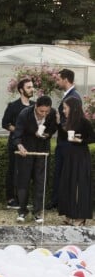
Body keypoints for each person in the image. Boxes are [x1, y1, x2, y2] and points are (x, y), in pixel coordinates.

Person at [12, 95, 57, 223]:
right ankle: (22, 211)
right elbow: (17, 134)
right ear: (36, 106)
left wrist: (46, 134)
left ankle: (37, 211)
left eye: (46, 111)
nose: (44, 114)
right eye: (41, 111)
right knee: (23, 181)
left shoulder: (52, 113)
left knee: (40, 181)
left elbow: (53, 128)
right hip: (26, 150)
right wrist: (20, 146)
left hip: (42, 150)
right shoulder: (24, 114)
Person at [57, 96, 95, 226]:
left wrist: (80, 140)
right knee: (68, 183)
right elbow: (63, 137)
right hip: (70, 157)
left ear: (72, 108)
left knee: (80, 185)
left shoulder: (84, 122)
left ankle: (81, 217)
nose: (63, 110)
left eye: (65, 108)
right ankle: (69, 214)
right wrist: (58, 124)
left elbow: (92, 138)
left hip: (81, 157)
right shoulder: (69, 122)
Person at [49, 68, 82, 210]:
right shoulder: (69, 95)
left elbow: (72, 122)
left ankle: (58, 202)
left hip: (67, 143)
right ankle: (57, 201)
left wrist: (57, 122)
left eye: (58, 79)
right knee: (60, 172)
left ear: (66, 80)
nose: (57, 81)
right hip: (63, 142)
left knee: (63, 173)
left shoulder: (74, 97)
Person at [1, 77, 34, 209]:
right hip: (15, 143)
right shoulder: (13, 106)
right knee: (13, 170)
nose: (32, 89)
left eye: (32, 87)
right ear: (21, 90)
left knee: (27, 172)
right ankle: (11, 199)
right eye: (29, 87)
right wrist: (17, 130)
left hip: (30, 144)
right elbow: (4, 123)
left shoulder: (34, 105)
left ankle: (23, 199)